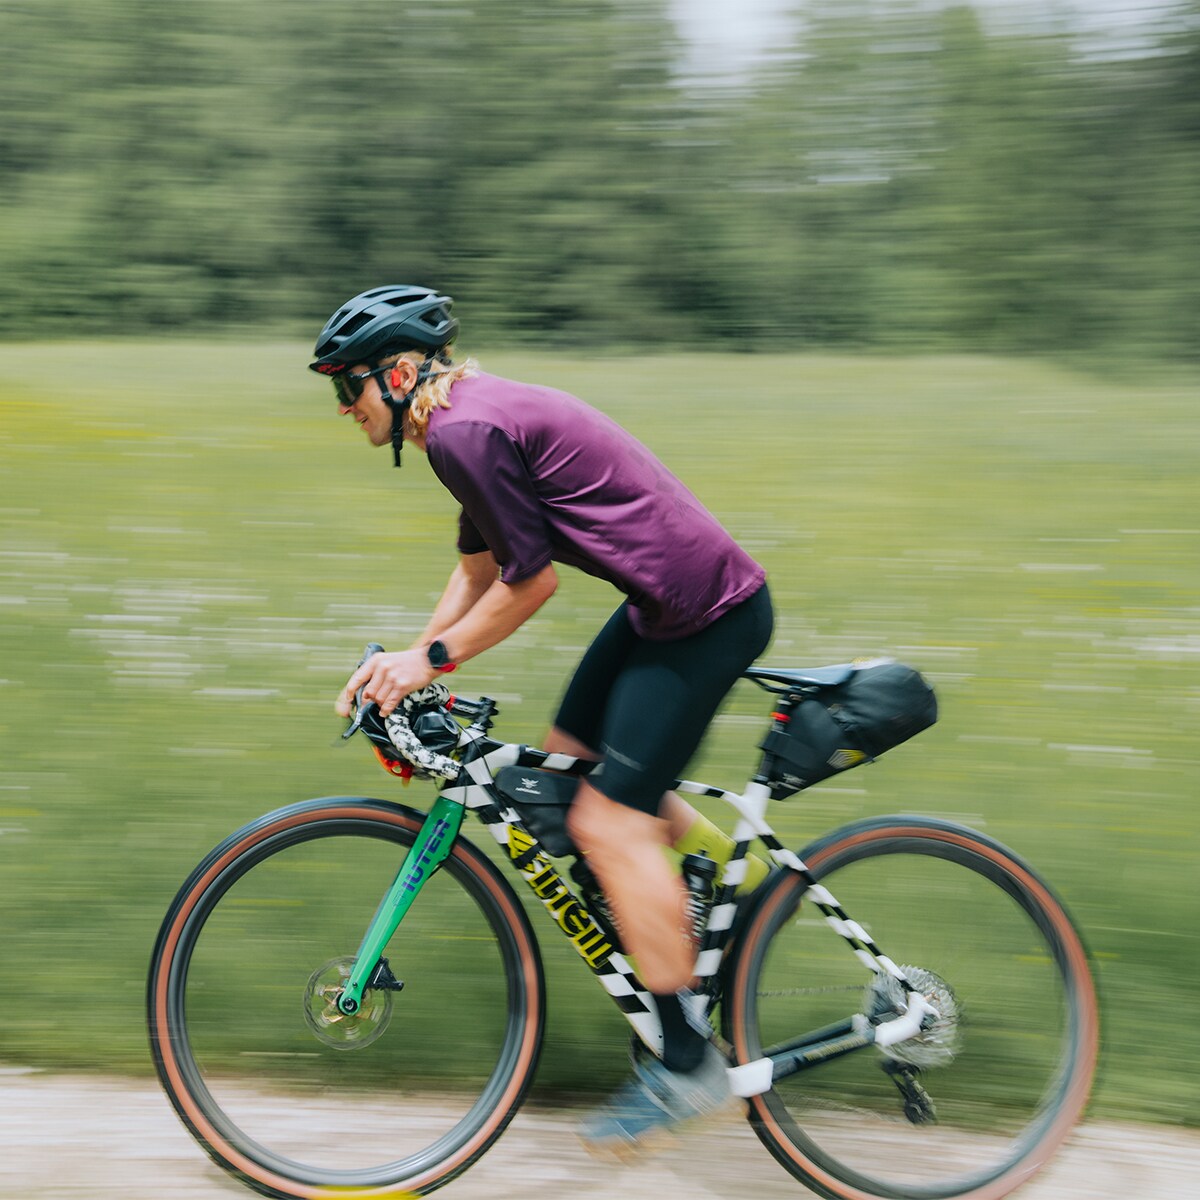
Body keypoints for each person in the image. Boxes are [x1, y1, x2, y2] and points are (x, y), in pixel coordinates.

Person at [314, 284, 773, 1151]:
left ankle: (688, 1063)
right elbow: (478, 572)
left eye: (351, 388)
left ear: (402, 372)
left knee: (606, 824)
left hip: (708, 614)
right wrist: (404, 674)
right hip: (661, 608)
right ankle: (700, 900)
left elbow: (533, 584)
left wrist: (430, 663)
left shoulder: (461, 432)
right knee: (563, 782)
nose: (345, 407)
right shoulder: (458, 426)